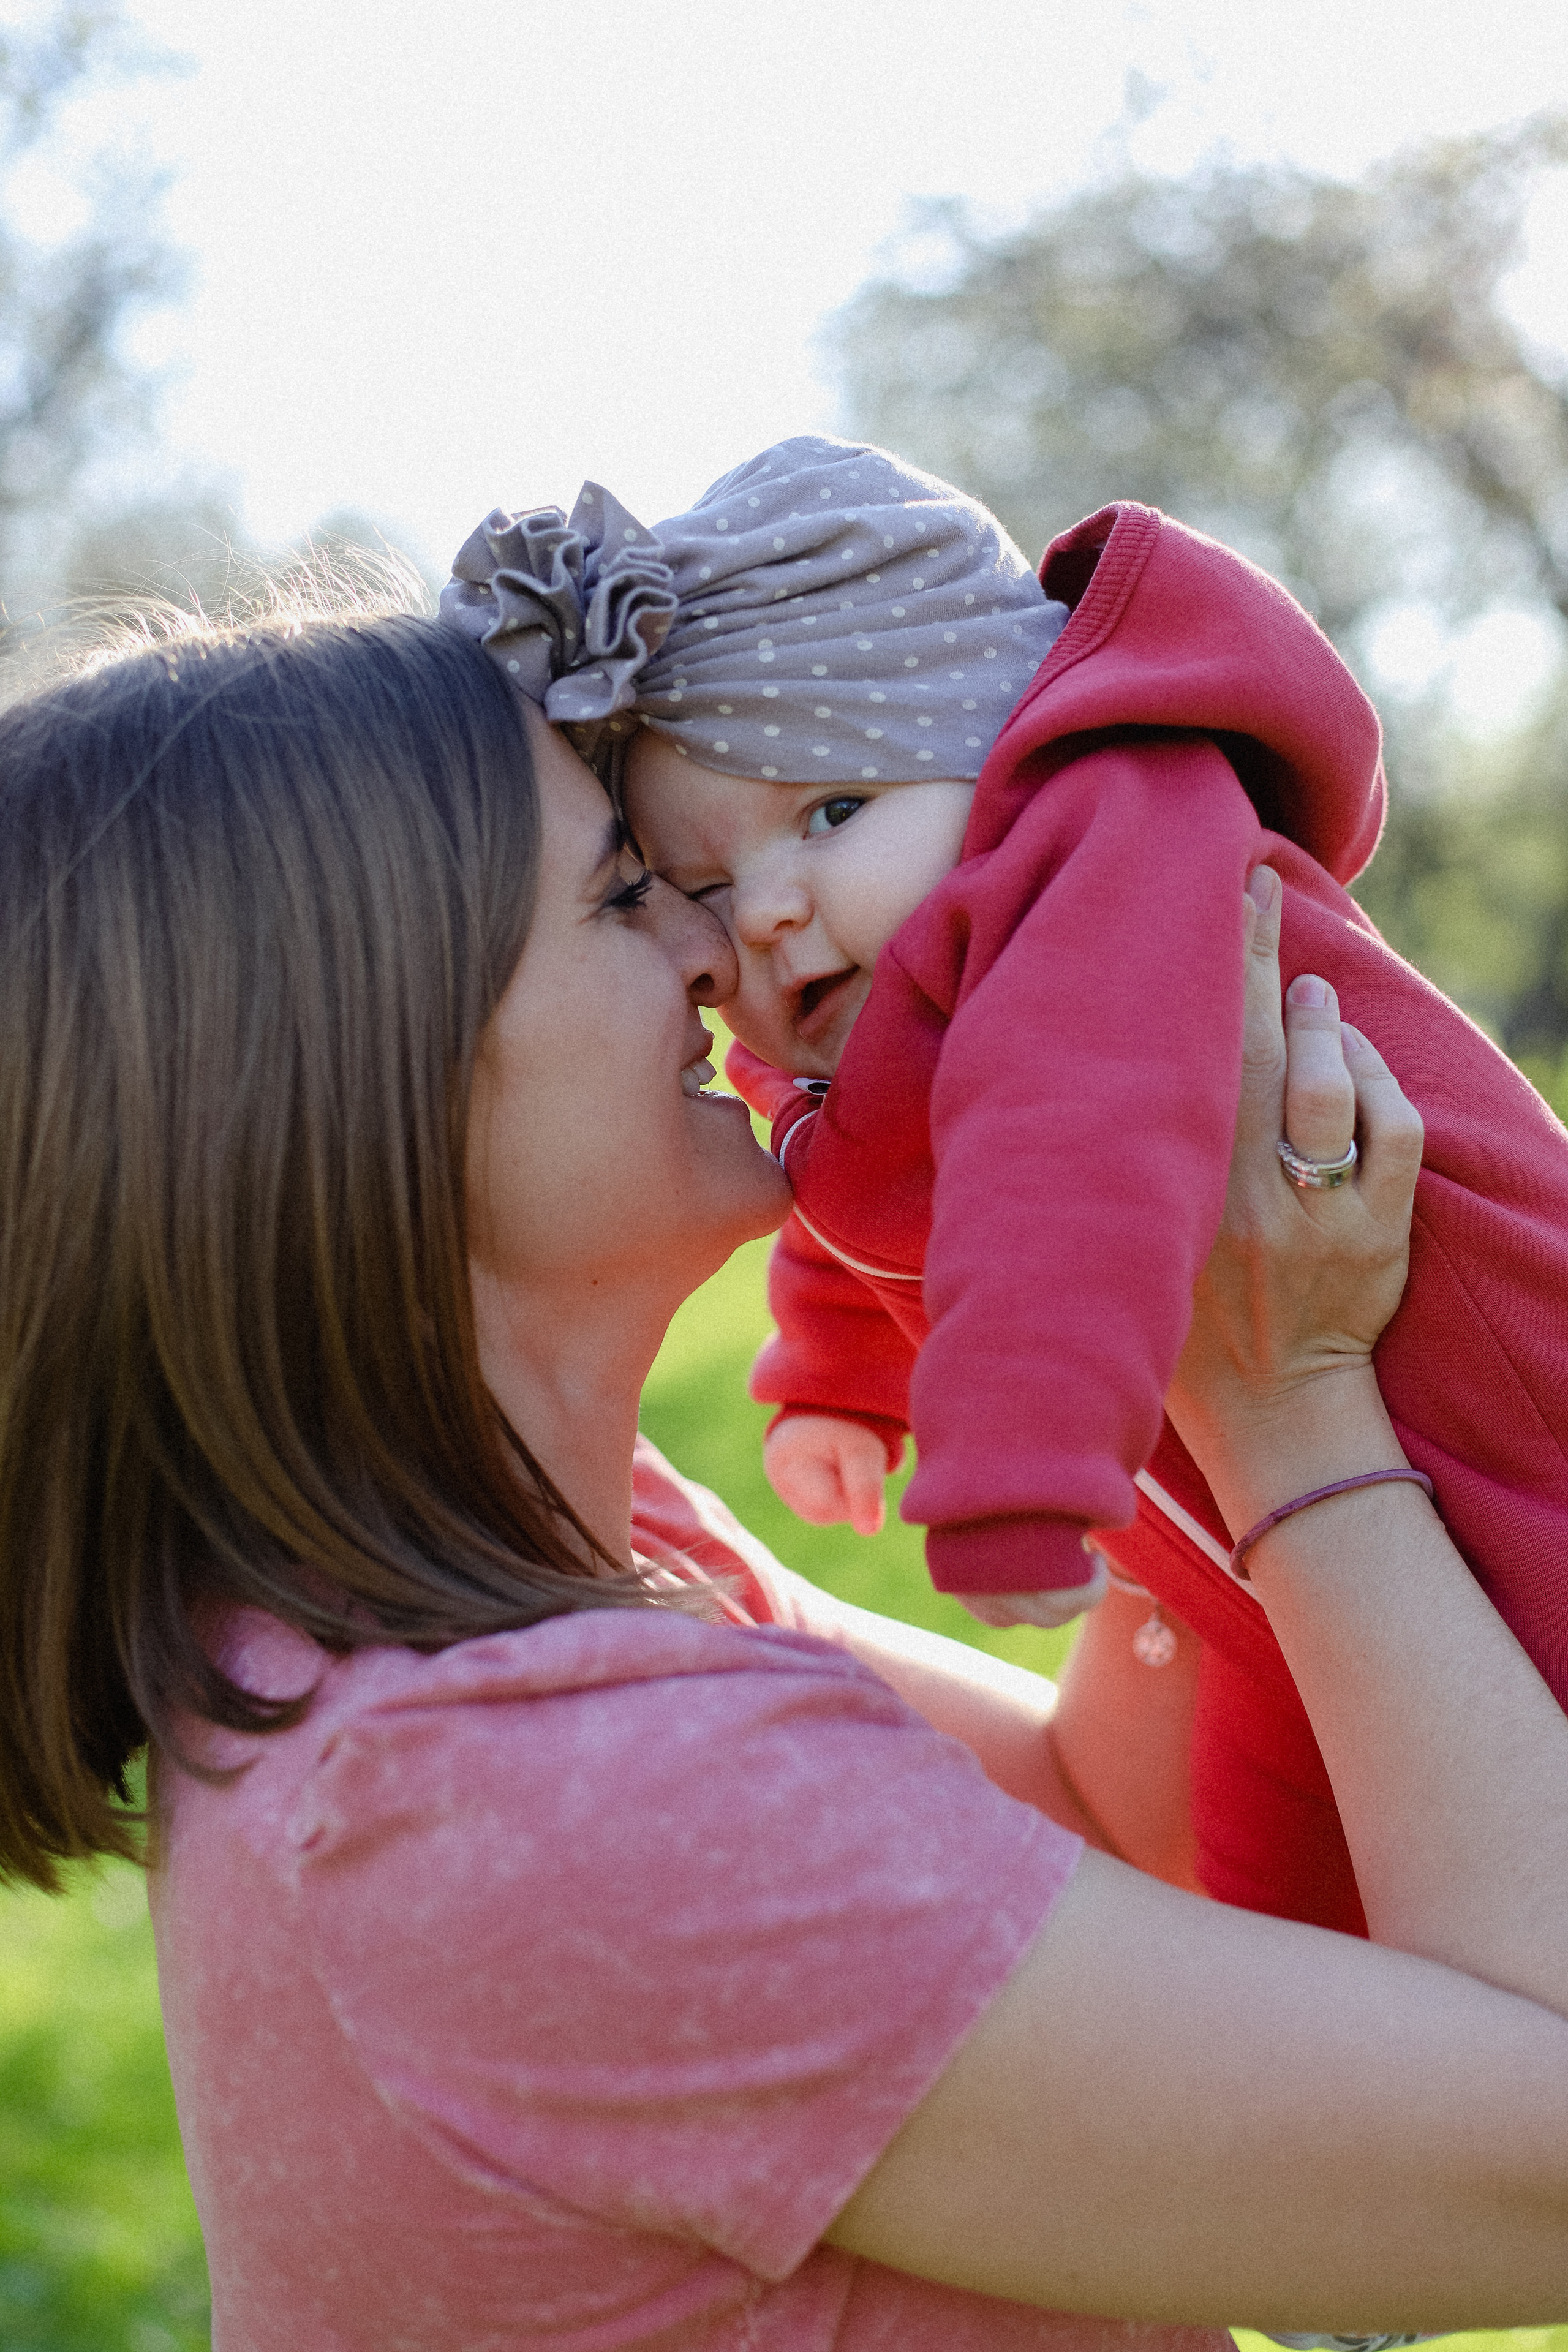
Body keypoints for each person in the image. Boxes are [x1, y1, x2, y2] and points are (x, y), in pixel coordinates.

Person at [2, 594, 1567, 2352]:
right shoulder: (544, 1795)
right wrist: (1293, 1411)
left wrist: (1128, 1270)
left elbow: (1127, 1838)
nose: (711, 946)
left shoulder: (510, 1593)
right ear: (353, 1070)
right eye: (617, 893)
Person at [443, 435, 1568, 1934]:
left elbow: (1070, 1158)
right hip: (1281, 1570)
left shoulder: (1103, 841)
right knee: (1288, 1933)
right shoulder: (899, 997)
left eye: (831, 810)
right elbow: (853, 1167)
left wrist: (1018, 1466)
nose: (766, 912)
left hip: (1515, 1442)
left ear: (997, 759)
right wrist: (840, 1374)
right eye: (703, 885)